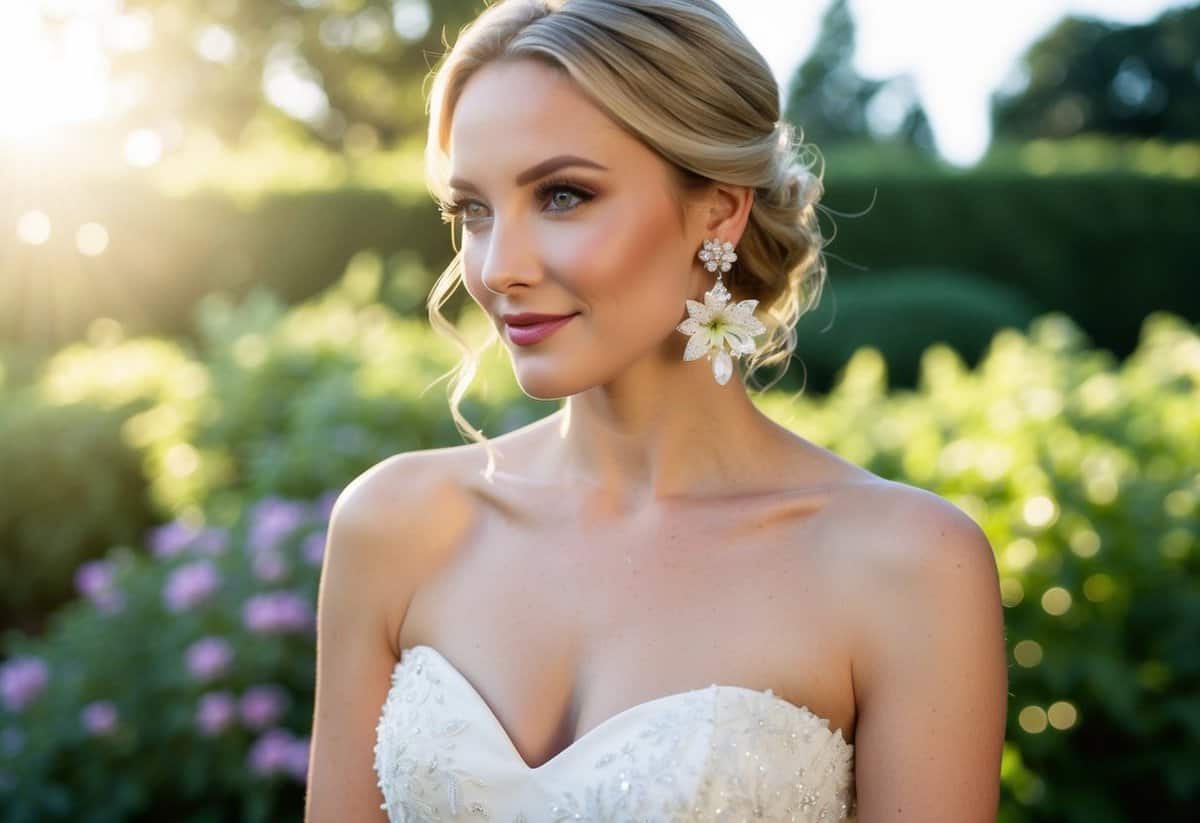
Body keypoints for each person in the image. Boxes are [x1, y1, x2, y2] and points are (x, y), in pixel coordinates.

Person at [305, 1, 1009, 820]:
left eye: (563, 195)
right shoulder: (395, 526)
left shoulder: (907, 566)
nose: (499, 268)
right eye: (474, 210)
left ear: (719, 207)